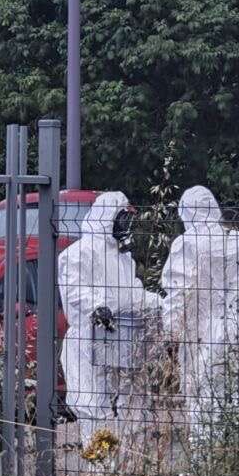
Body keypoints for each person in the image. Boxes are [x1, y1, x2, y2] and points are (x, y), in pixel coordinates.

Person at [159, 186, 239, 444]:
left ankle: (205, 471)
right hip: (238, 329)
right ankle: (237, 466)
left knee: (202, 404)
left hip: (200, 334)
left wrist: (171, 335)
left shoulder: (186, 243)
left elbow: (177, 293)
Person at [57, 192, 161, 452]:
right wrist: (96, 306)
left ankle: (128, 461)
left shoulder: (123, 257)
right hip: (87, 338)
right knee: (91, 404)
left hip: (120, 336)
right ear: (107, 216)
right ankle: (96, 468)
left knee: (131, 400)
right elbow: (74, 288)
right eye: (121, 218)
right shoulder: (79, 252)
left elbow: (131, 293)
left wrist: (156, 304)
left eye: (128, 219)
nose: (125, 225)